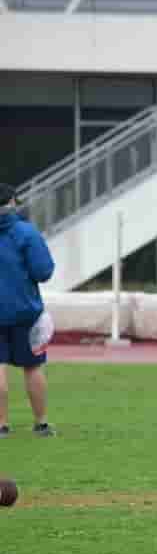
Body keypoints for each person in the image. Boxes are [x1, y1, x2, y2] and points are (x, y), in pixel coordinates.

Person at [0, 183, 56, 439]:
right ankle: (41, 424)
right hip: (25, 311)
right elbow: (43, 272)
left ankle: (1, 426)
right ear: (12, 202)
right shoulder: (26, 233)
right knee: (33, 367)